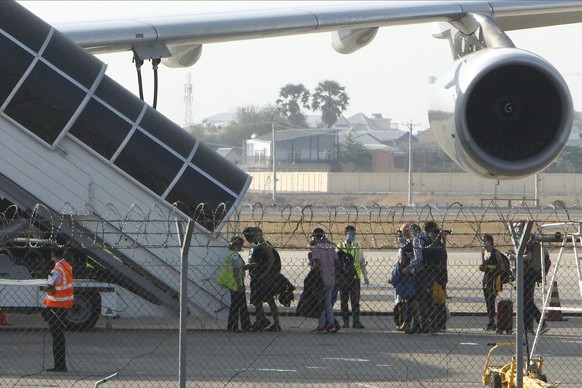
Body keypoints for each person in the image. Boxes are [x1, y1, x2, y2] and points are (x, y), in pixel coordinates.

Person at [509, 225, 550, 336]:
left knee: (526, 300)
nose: (516, 230)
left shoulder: (528, 240)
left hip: (528, 273)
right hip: (526, 273)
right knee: (525, 301)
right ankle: (528, 327)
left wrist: (515, 256)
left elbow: (529, 257)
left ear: (524, 228)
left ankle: (541, 323)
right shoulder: (526, 239)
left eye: (518, 227)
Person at [243, 226, 282, 332]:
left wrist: (265, 273)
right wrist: (249, 266)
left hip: (265, 278)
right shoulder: (256, 247)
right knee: (257, 301)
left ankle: (276, 323)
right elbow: (259, 262)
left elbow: (271, 259)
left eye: (248, 237)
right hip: (257, 277)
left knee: (270, 300)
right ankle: (261, 320)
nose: (247, 239)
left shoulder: (264, 245)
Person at [41, 247, 74, 372]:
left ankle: (59, 365)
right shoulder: (67, 266)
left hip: (56, 305)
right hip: (65, 304)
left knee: (56, 336)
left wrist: (47, 287)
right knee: (60, 335)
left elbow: (48, 286)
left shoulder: (57, 269)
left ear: (52, 255)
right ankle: (61, 364)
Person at [217, 236, 252, 333]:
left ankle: (235, 326)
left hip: (233, 283)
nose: (242, 247)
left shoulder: (231, 254)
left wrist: (247, 267)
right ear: (237, 245)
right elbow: (236, 271)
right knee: (239, 306)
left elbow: (239, 268)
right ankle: (241, 326)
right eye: (241, 245)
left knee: (237, 306)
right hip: (236, 284)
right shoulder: (235, 257)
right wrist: (239, 285)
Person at [309, 227, 340, 334]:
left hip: (321, 279)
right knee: (327, 302)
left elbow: (317, 263)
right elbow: (337, 262)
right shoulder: (331, 247)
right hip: (331, 278)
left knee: (321, 302)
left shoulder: (317, 248)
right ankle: (331, 323)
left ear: (315, 237)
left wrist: (314, 275)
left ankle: (322, 325)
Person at [337, 225, 368, 329]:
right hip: (343, 278)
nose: (352, 236)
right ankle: (345, 321)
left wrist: (365, 276)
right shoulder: (340, 247)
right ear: (345, 234)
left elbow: (362, 262)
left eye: (354, 234)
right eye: (350, 234)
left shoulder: (358, 247)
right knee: (344, 300)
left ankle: (356, 321)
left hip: (355, 277)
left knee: (355, 301)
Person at [478, 233, 502, 331]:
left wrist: (489, 267)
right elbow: (484, 265)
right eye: (482, 240)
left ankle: (492, 321)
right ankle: (490, 320)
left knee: (491, 300)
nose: (483, 243)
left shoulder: (495, 253)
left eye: (485, 240)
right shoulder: (483, 252)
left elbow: (501, 266)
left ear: (490, 242)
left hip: (494, 279)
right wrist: (483, 268)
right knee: (487, 301)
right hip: (486, 278)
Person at [391, 249, 418, 333]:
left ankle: (408, 323)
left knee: (410, 305)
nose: (403, 260)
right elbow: (394, 279)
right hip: (403, 290)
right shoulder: (398, 266)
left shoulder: (409, 267)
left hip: (408, 290)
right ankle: (404, 323)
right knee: (403, 306)